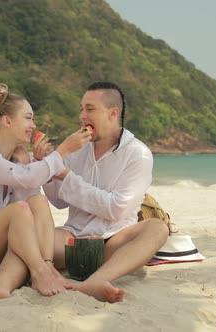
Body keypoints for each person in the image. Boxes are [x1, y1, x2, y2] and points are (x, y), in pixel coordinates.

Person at [0, 83, 91, 301]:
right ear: (7, 122)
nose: (33, 125)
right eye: (28, 118)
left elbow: (30, 197)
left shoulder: (17, 159)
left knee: (37, 201)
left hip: (1, 246)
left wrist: (30, 162)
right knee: (19, 210)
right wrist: (63, 150)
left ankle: (8, 283)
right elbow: (25, 188)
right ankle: (40, 272)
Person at [34, 82, 169, 303]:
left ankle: (96, 281)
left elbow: (116, 209)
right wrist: (49, 169)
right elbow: (58, 201)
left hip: (114, 242)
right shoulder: (76, 149)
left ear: (112, 113)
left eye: (89, 109)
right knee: (24, 240)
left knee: (157, 229)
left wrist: (66, 175)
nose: (82, 115)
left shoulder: (138, 154)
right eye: (81, 109)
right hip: (72, 239)